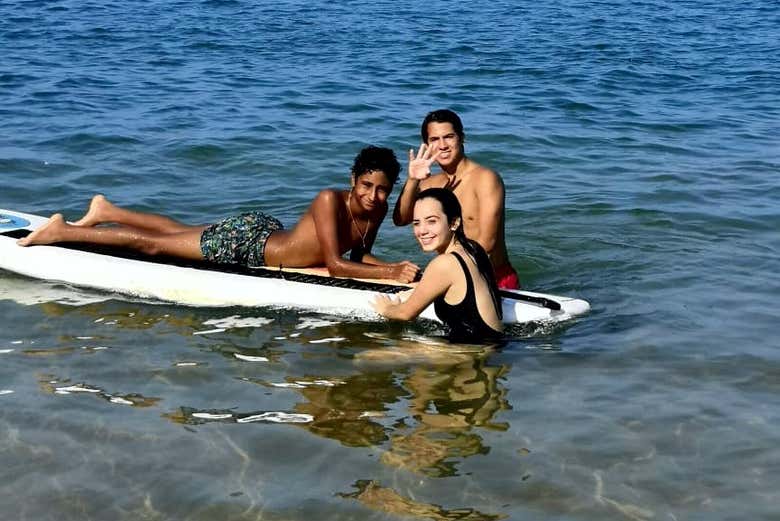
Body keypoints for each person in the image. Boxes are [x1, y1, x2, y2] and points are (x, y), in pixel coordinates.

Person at [18, 146, 420, 283]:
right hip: (250, 245)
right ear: (353, 180)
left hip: (265, 231)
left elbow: (358, 256)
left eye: (382, 188)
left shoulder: (378, 209)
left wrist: (400, 268)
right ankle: (63, 231)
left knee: (179, 232)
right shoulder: (330, 200)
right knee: (156, 246)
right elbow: (335, 264)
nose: (373, 196)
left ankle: (107, 210)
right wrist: (390, 273)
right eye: (366, 185)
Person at [392, 109, 520, 289]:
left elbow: (487, 243)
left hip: (492, 278)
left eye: (449, 137)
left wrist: (442, 274)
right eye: (434, 139)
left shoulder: (485, 179)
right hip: (452, 275)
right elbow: (401, 219)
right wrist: (413, 180)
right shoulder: (430, 183)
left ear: (461, 138)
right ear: (427, 145)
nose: (442, 145)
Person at [372, 188, 503, 343]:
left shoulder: (444, 263)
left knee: (370, 353)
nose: (422, 231)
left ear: (454, 223)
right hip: (493, 346)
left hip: (470, 350)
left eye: (432, 221)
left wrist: (386, 308)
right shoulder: (472, 248)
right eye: (416, 223)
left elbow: (405, 314)